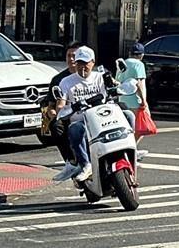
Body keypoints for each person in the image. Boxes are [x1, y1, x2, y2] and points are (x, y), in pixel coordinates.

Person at [54, 46, 134, 183]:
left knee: (128, 115)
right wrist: (66, 108)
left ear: (93, 62)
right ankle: (85, 165)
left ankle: (131, 149)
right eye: (79, 63)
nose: (83, 67)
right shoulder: (66, 82)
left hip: (105, 117)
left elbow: (117, 87)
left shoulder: (100, 76)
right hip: (83, 121)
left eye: (86, 63)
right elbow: (61, 105)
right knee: (74, 129)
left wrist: (117, 85)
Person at [46, 42, 81, 179]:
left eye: (75, 56)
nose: (71, 59)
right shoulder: (59, 80)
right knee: (55, 126)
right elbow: (51, 105)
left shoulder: (92, 76)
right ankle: (71, 162)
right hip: (69, 116)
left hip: (90, 115)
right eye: (68, 56)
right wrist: (53, 114)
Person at [115, 42, 149, 141]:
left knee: (127, 127)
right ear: (141, 54)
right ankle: (132, 148)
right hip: (135, 100)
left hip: (122, 100)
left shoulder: (122, 63)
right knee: (142, 127)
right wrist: (144, 101)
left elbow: (117, 81)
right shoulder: (139, 64)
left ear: (130, 53)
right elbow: (139, 84)